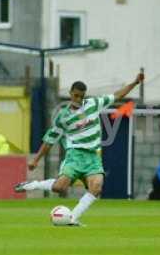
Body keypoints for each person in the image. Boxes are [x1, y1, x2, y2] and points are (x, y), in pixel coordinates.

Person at [14, 73, 144, 225]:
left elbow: (117, 95)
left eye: (81, 97)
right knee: (60, 187)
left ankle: (72, 218)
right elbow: (49, 141)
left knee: (96, 186)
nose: (77, 99)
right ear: (70, 93)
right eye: (75, 95)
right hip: (75, 155)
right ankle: (33, 185)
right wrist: (36, 160)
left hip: (93, 156)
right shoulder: (62, 117)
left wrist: (135, 83)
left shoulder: (94, 104)